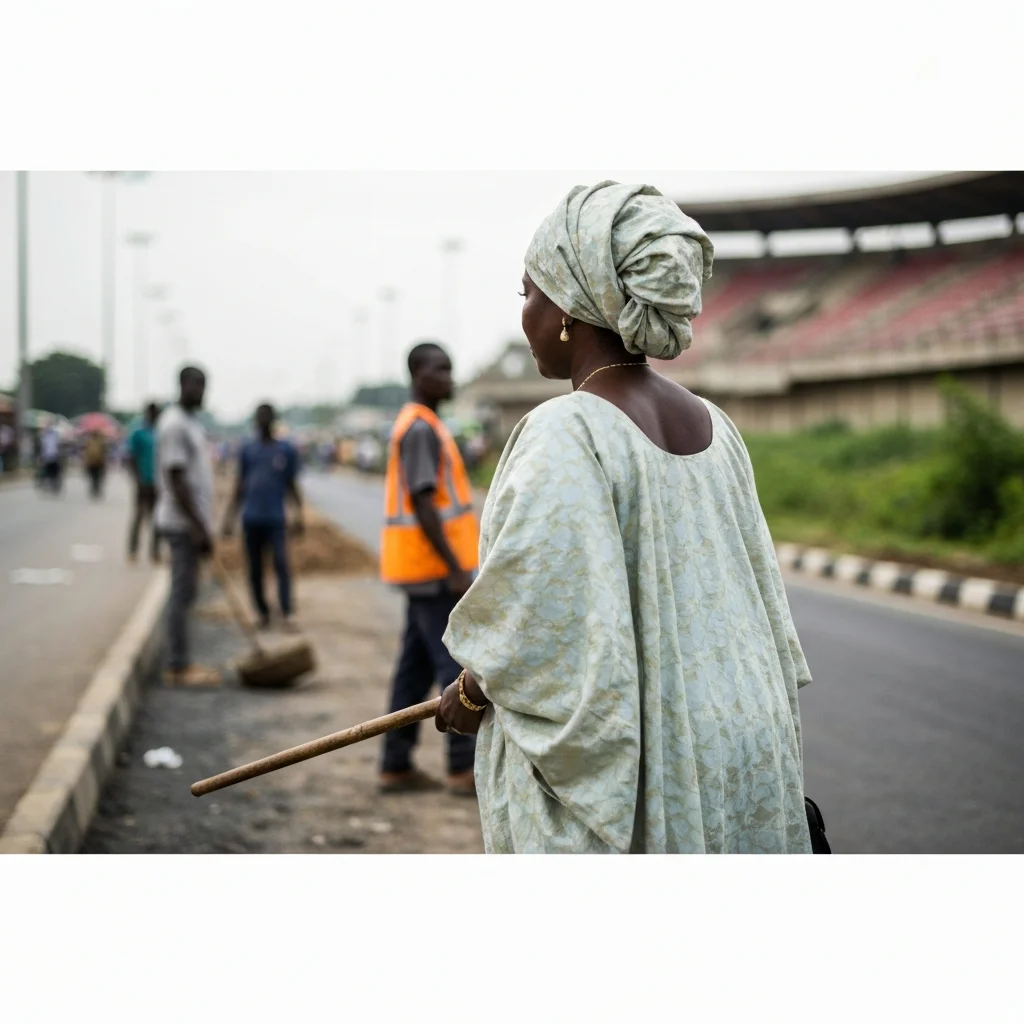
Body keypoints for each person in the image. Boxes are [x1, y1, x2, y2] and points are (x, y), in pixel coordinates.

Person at [435, 181, 814, 853]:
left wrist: (471, 688)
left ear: (569, 309)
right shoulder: (716, 426)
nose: (524, 317)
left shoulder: (567, 431)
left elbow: (535, 618)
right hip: (745, 738)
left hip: (655, 751)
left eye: (529, 293)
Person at [378, 342, 479, 797]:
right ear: (418, 374)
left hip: (421, 569)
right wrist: (455, 567)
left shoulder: (426, 425)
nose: (450, 378)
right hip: (434, 570)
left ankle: (395, 764)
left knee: (414, 669)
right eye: (441, 369)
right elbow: (422, 501)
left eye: (451, 368)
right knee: (455, 668)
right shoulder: (420, 428)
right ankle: (462, 768)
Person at [155, 366, 220, 688]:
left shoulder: (191, 423)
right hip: (182, 524)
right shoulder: (174, 424)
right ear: (182, 385)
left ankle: (181, 659)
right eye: (197, 385)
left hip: (191, 523)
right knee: (181, 593)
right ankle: (177, 666)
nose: (202, 391)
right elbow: (176, 478)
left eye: (204, 385)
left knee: (188, 591)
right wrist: (199, 527)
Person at [221, 403, 304, 630]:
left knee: (281, 564)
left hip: (275, 519)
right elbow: (240, 485)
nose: (263, 421)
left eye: (267, 417)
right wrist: (229, 518)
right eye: (260, 417)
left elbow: (291, 485)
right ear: (256, 421)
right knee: (255, 568)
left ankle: (286, 611)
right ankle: (262, 612)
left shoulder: (284, 450)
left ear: (273, 420)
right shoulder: (248, 450)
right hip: (252, 518)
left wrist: (299, 514)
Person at [127, 402, 162, 563]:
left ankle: (155, 552)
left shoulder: (160, 433)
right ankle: (132, 551)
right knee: (139, 517)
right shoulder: (139, 433)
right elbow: (131, 458)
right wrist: (137, 479)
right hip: (143, 482)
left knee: (157, 519)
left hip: (157, 484)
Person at [38, 422, 62, 494]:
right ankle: (49, 485)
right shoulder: (44, 436)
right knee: (48, 473)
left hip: (54, 456)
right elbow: (43, 447)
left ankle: (55, 485)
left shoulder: (55, 435)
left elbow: (58, 446)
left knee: (55, 473)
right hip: (47, 457)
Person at [83, 429, 107, 500]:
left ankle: (97, 489)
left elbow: (104, 452)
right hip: (91, 463)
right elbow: (86, 452)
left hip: (99, 463)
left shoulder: (101, 442)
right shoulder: (89, 442)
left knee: (98, 478)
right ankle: (94, 489)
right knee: (93, 477)